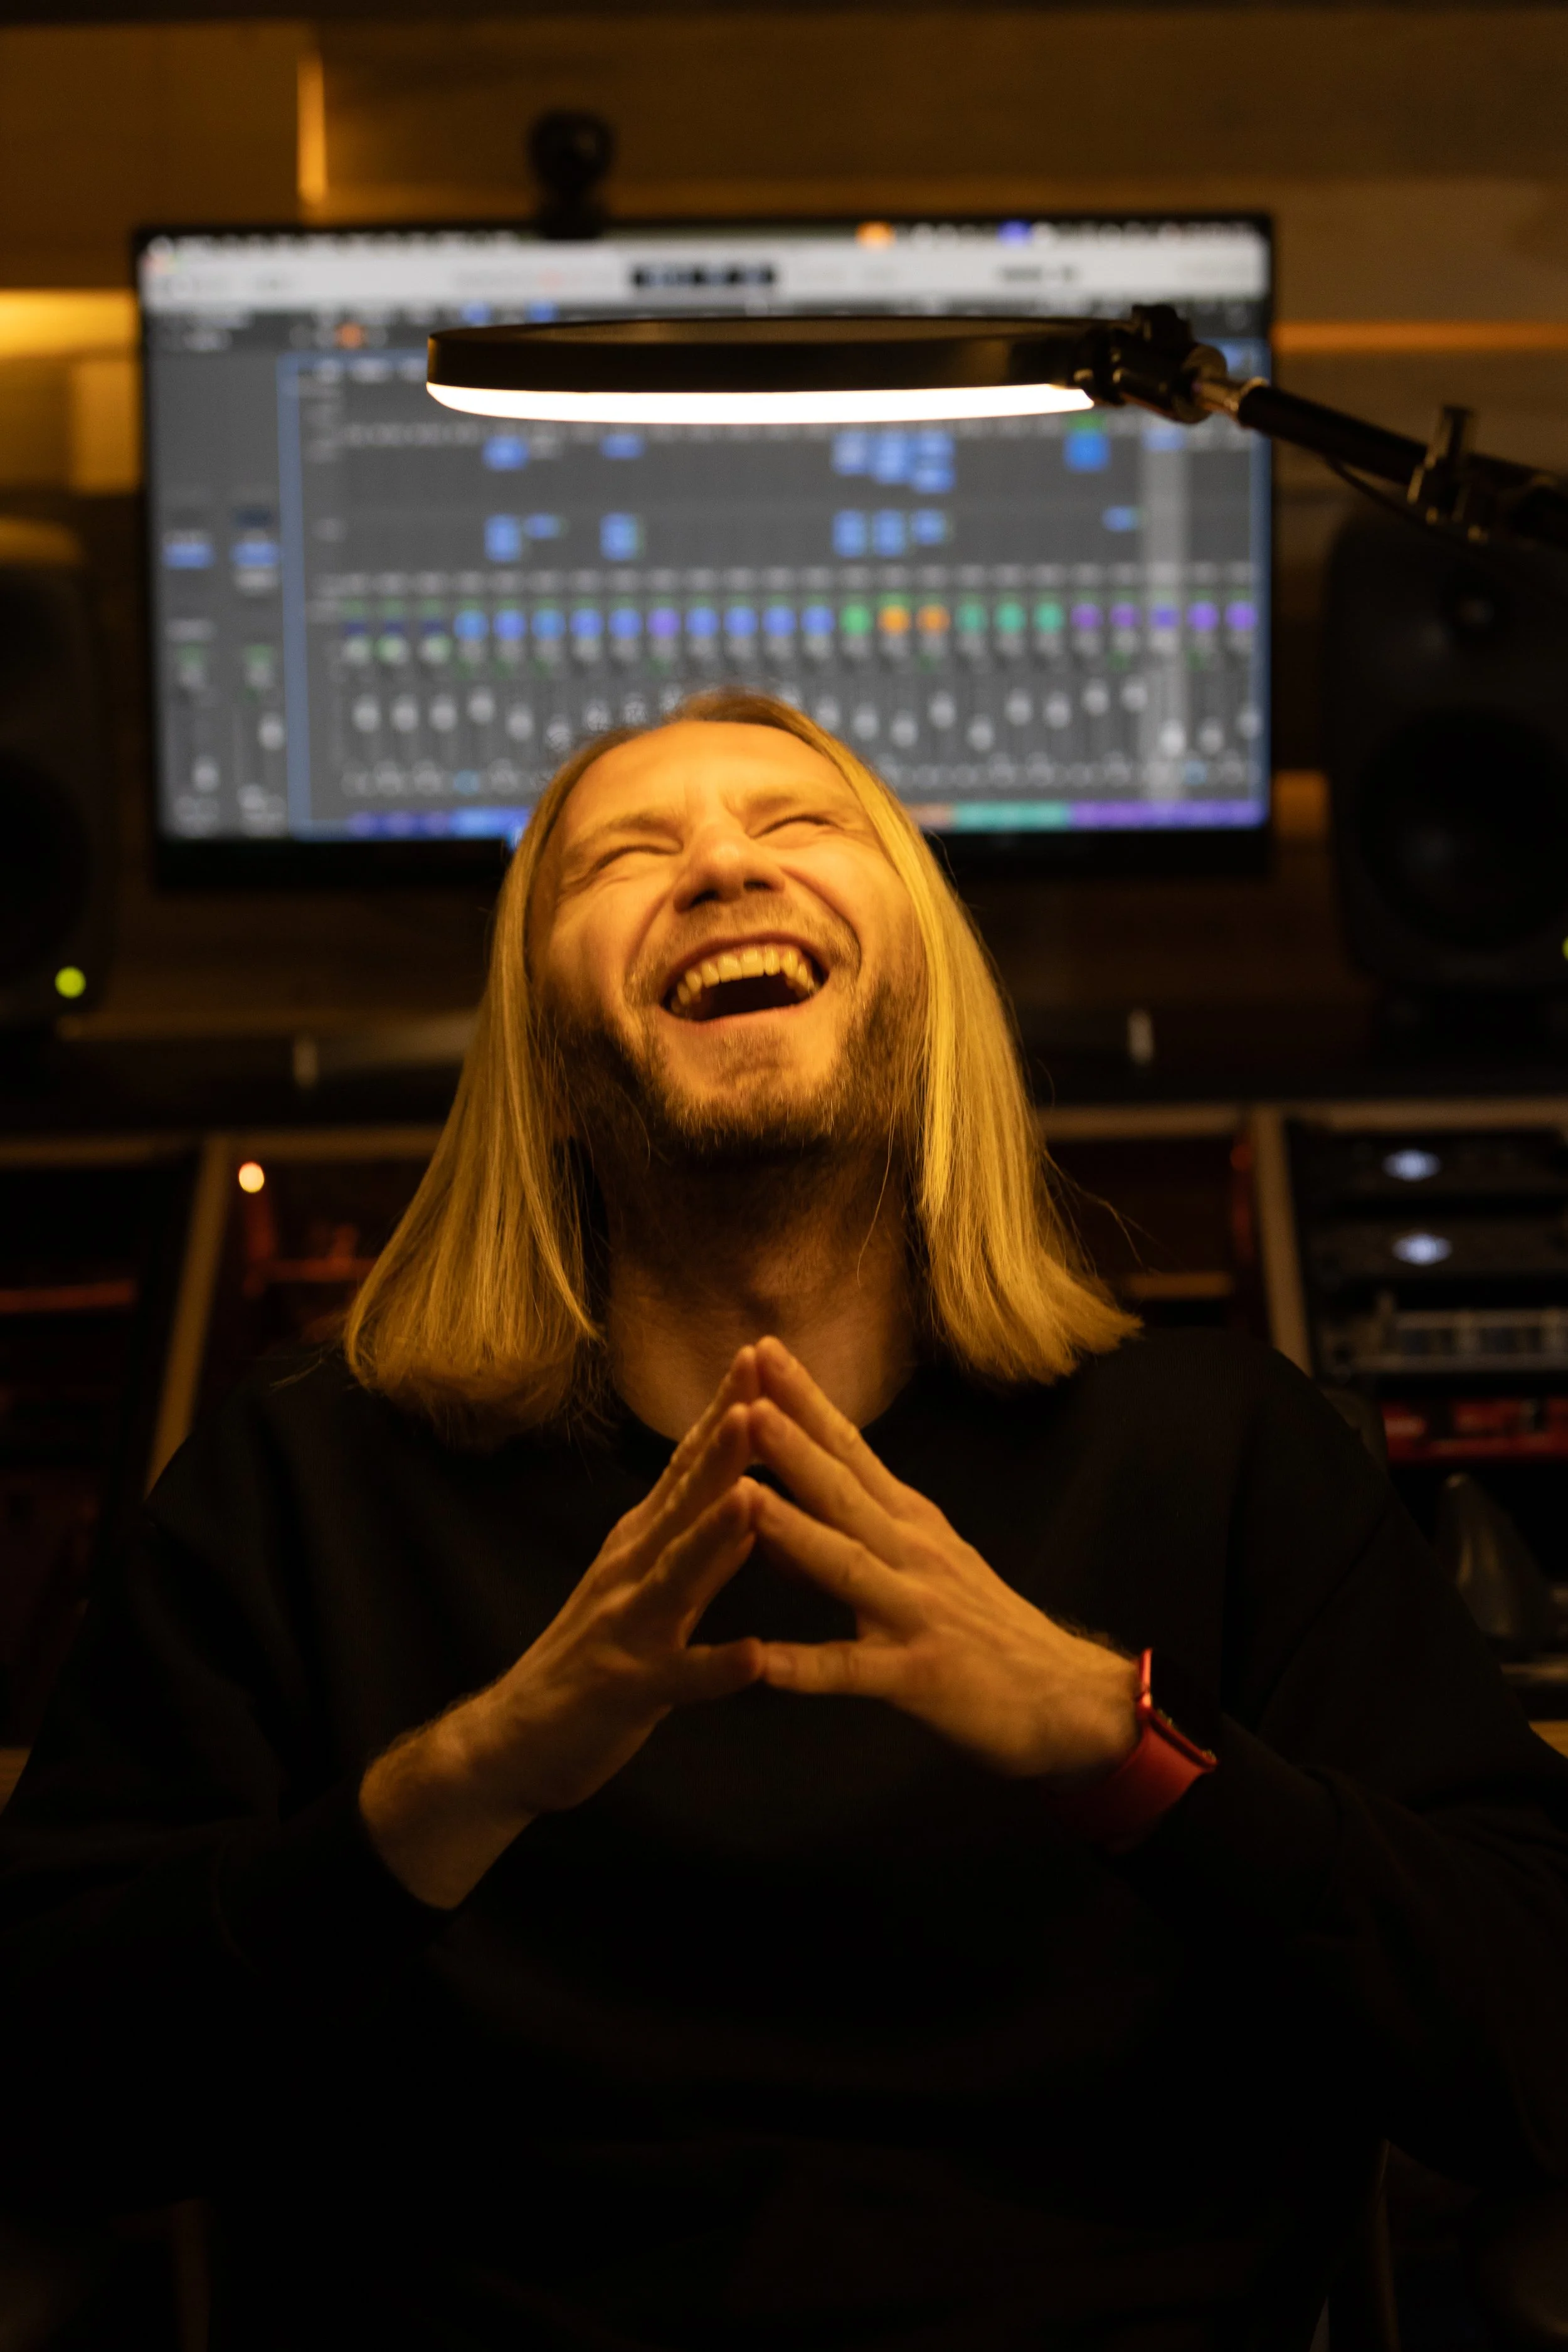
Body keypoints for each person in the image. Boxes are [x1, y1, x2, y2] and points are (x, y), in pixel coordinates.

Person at [3, 691, 1567, 2352]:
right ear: (536, 1043)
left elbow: (1530, 2035)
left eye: (794, 824)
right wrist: (460, 1785)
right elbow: (50, 2090)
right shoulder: (305, 1477)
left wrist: (1113, 1744)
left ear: (925, 990)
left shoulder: (1225, 1449)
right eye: (628, 852)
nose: (720, 870)